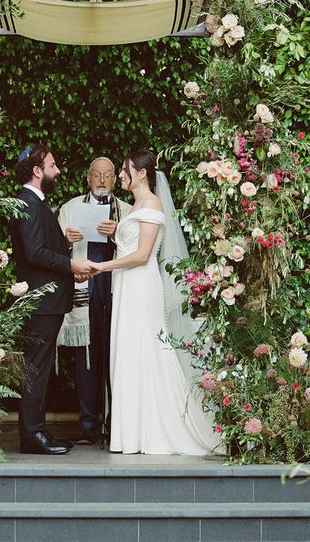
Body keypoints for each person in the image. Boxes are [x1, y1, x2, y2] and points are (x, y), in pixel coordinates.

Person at [88, 150, 222, 455]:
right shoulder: (137, 206)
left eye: (125, 170)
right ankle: (131, 434)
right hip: (127, 287)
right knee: (129, 353)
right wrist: (115, 236)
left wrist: (100, 267)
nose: (120, 175)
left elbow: (142, 255)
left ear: (142, 174)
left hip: (141, 288)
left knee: (145, 352)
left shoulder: (152, 205)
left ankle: (152, 431)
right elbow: (130, 244)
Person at [9, 143, 92, 455]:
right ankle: (32, 435)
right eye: (53, 165)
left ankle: (37, 431)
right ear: (37, 170)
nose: (57, 171)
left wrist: (69, 262)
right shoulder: (28, 202)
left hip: (46, 301)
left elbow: (44, 249)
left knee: (38, 367)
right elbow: (35, 253)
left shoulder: (34, 202)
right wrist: (71, 264)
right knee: (36, 368)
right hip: (40, 302)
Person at [57, 157, 131, 443]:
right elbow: (53, 250)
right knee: (86, 357)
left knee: (116, 355)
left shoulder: (125, 211)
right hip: (84, 286)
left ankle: (116, 424)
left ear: (114, 180)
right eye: (96, 175)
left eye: (107, 175)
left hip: (115, 286)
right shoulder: (70, 208)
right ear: (88, 179)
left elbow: (139, 249)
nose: (102, 180)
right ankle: (88, 425)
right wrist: (66, 240)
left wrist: (118, 234)